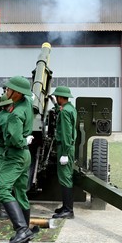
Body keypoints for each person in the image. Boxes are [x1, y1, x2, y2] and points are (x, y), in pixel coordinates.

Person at [0, 75, 35, 243]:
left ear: (17, 93)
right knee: (20, 192)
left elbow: (15, 140)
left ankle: (21, 230)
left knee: (2, 190)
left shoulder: (14, 115)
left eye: (9, 89)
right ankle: (25, 237)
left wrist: (22, 140)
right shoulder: (26, 103)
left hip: (15, 155)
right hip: (25, 156)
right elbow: (30, 98)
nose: (6, 91)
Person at [51, 86, 77, 219]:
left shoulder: (65, 112)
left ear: (61, 97)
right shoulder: (69, 108)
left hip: (65, 146)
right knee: (65, 176)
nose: (56, 98)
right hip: (67, 146)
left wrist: (65, 153)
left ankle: (68, 210)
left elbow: (67, 133)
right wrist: (55, 106)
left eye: (56, 97)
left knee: (65, 177)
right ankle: (65, 207)